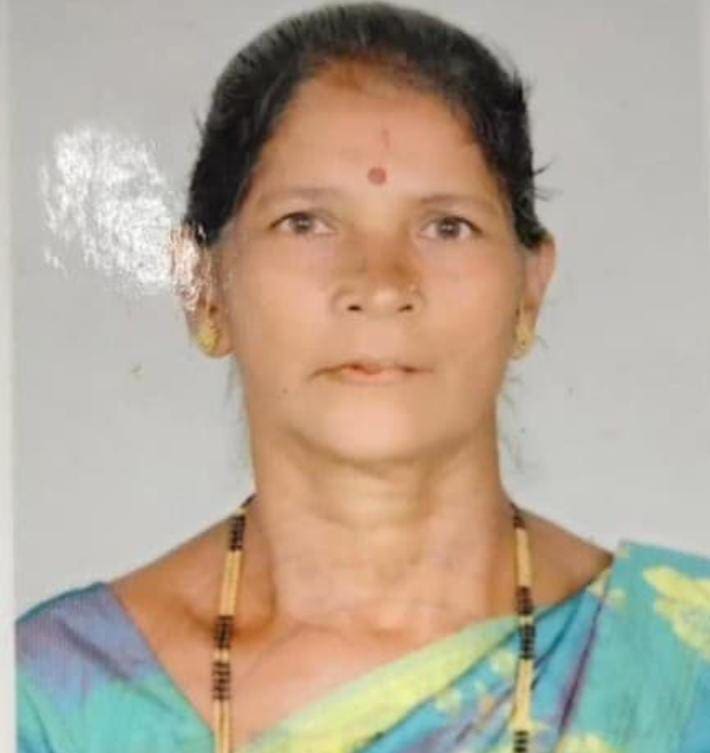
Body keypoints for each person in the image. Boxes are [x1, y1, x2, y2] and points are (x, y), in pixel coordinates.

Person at [16, 3, 710, 752]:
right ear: (203, 285)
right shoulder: (53, 705)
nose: (380, 284)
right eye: (306, 222)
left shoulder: (682, 665)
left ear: (529, 291)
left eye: (447, 227)